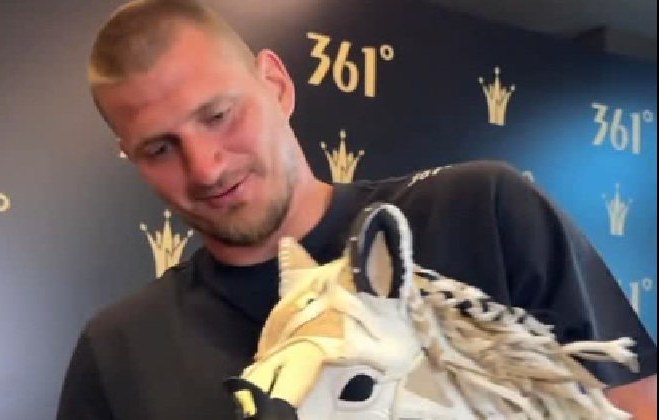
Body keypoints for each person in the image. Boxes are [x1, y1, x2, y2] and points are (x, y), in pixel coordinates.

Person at [56, 0, 658, 418]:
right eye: (160, 148)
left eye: (218, 116)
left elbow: (638, 405)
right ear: (131, 157)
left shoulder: (481, 215)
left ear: (276, 84)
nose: (206, 167)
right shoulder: (119, 351)